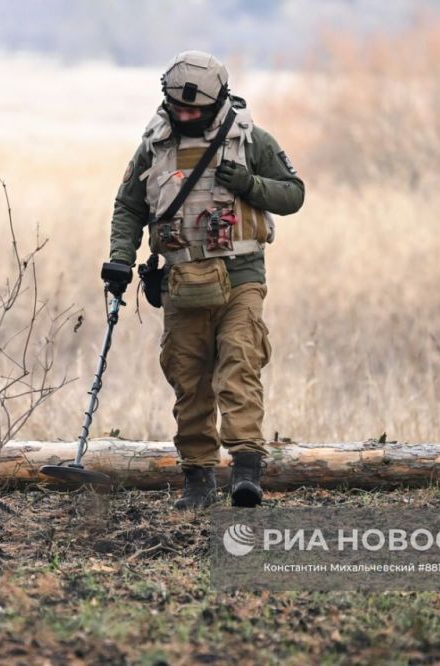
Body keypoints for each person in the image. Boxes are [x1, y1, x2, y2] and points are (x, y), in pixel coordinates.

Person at [107, 50, 305, 509]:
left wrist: (249, 186)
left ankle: (246, 473)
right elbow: (129, 206)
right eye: (180, 108)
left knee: (240, 364)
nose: (187, 115)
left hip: (240, 277)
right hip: (181, 280)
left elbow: (293, 194)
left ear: (217, 102)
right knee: (189, 377)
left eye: (196, 109)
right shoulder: (154, 145)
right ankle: (197, 479)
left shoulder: (250, 140)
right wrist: (120, 259)